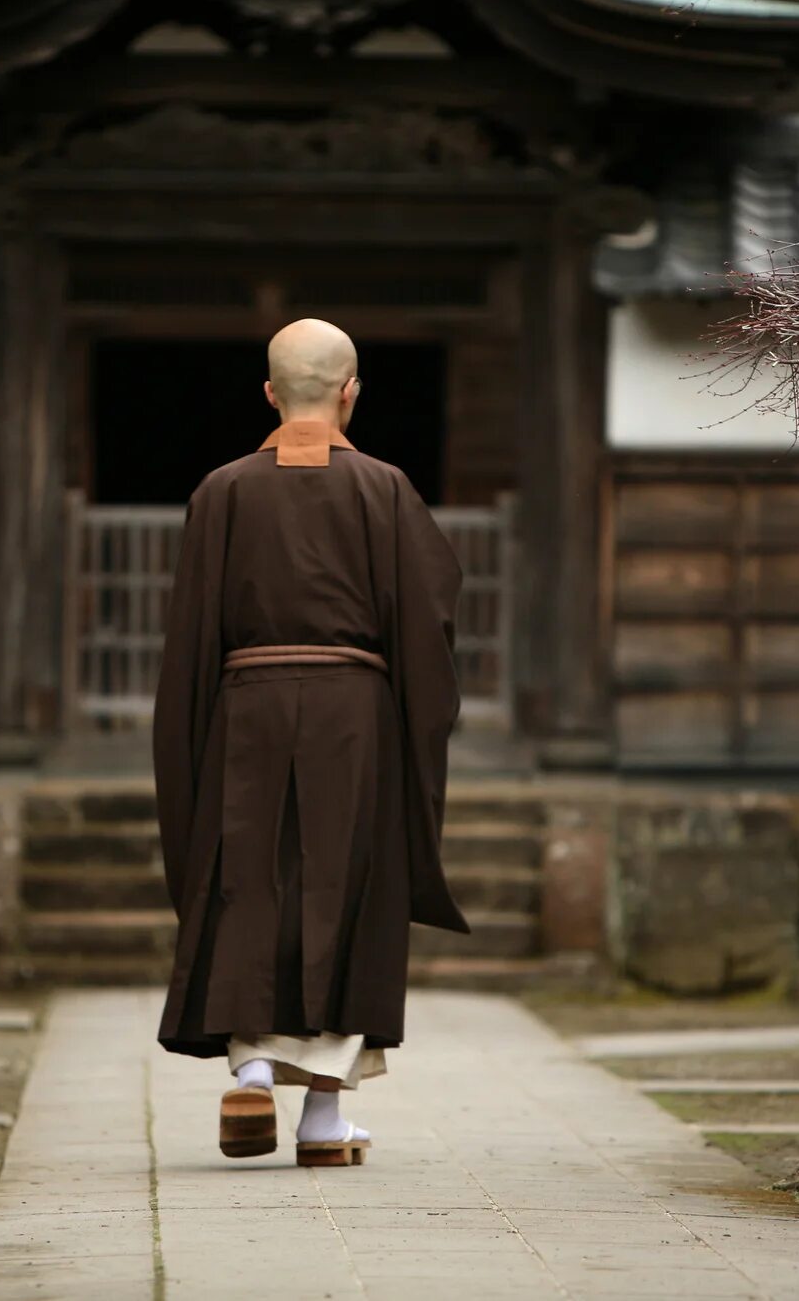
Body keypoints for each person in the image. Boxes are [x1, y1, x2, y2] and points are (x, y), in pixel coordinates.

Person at [152, 316, 467, 1168]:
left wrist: (192, 733)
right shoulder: (385, 488)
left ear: (267, 393)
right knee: (345, 887)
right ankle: (323, 1123)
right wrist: (413, 719)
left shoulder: (220, 491)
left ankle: (251, 1073)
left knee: (247, 879)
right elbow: (428, 619)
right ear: (349, 392)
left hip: (245, 708)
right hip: (352, 715)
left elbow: (189, 634)